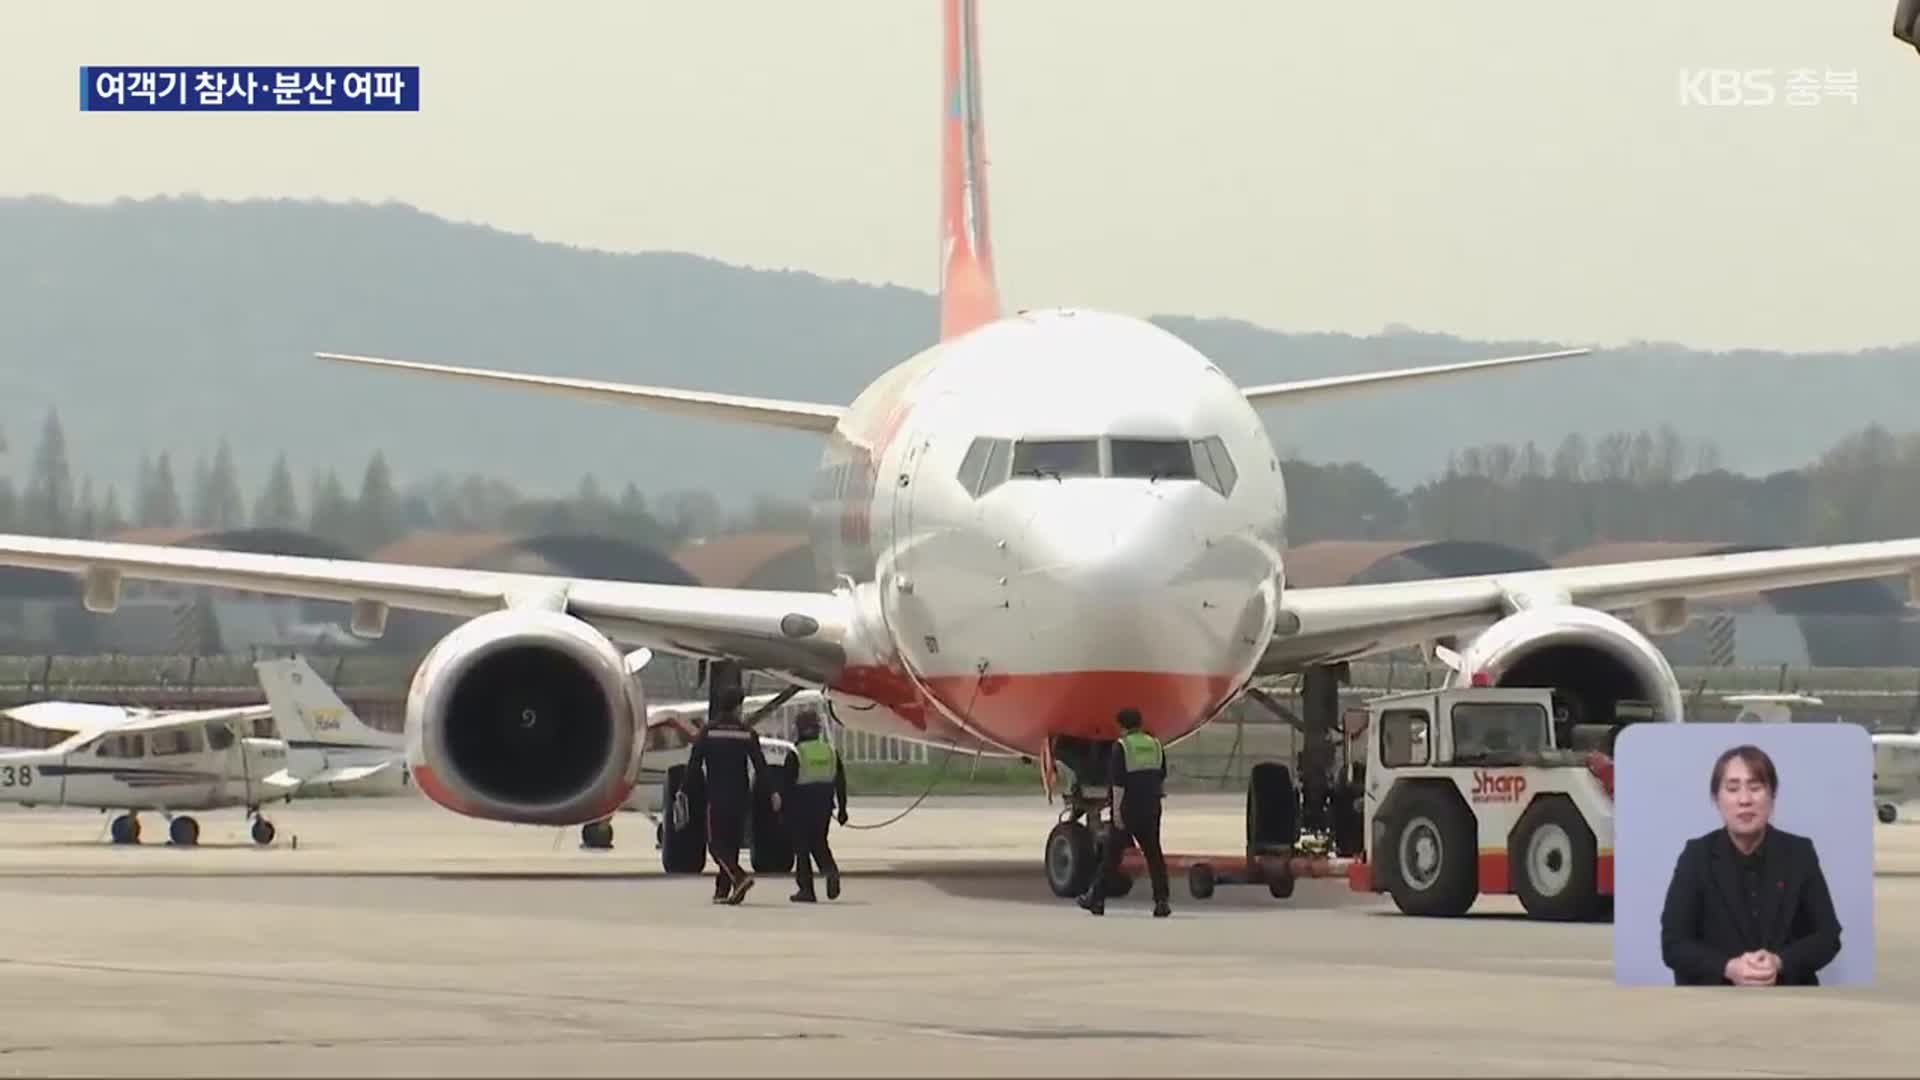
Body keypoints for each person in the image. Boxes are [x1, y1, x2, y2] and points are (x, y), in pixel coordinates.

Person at [1659, 743, 1843, 986]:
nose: (1744, 800)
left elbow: (1828, 936)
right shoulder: (1696, 856)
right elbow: (1674, 944)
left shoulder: (1799, 853)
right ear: (1716, 798)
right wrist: (1728, 968)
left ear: (1772, 795)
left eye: (1755, 787)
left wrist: (1779, 962)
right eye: (1732, 789)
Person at [1078, 708, 1171, 918]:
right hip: (1152, 806)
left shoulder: (1122, 746)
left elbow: (1118, 785)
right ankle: (1162, 901)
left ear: (1122, 726)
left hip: (1129, 807)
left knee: (1111, 858)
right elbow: (1161, 775)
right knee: (1154, 855)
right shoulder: (1155, 744)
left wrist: (1117, 813)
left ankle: (1096, 899)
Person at [685, 687, 769, 905]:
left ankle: (739, 876)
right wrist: (773, 792)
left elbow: (694, 764)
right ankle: (723, 889)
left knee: (715, 844)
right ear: (739, 706)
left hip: (717, 796)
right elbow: (760, 766)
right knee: (730, 843)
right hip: (740, 796)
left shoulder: (708, 731)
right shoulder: (746, 732)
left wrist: (684, 789)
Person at [778, 707, 848, 902]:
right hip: (824, 806)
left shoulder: (796, 753)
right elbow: (840, 782)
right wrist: (842, 809)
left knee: (801, 848)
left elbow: (787, 786)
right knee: (819, 843)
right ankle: (830, 871)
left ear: (799, 729)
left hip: (801, 807)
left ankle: (806, 890)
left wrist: (783, 812)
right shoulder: (830, 751)